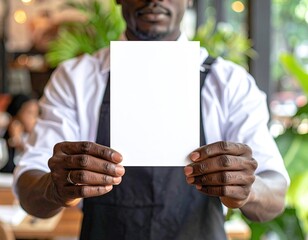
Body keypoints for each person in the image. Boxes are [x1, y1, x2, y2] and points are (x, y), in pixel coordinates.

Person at [13, 0, 289, 239]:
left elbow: (274, 192)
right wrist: (55, 188)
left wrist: (248, 189)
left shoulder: (229, 83)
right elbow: (29, 184)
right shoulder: (76, 79)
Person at [0, 94, 39, 173]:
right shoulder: (4, 130)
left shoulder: (36, 138)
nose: (36, 119)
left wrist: (17, 141)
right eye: (30, 113)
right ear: (18, 111)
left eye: (37, 114)